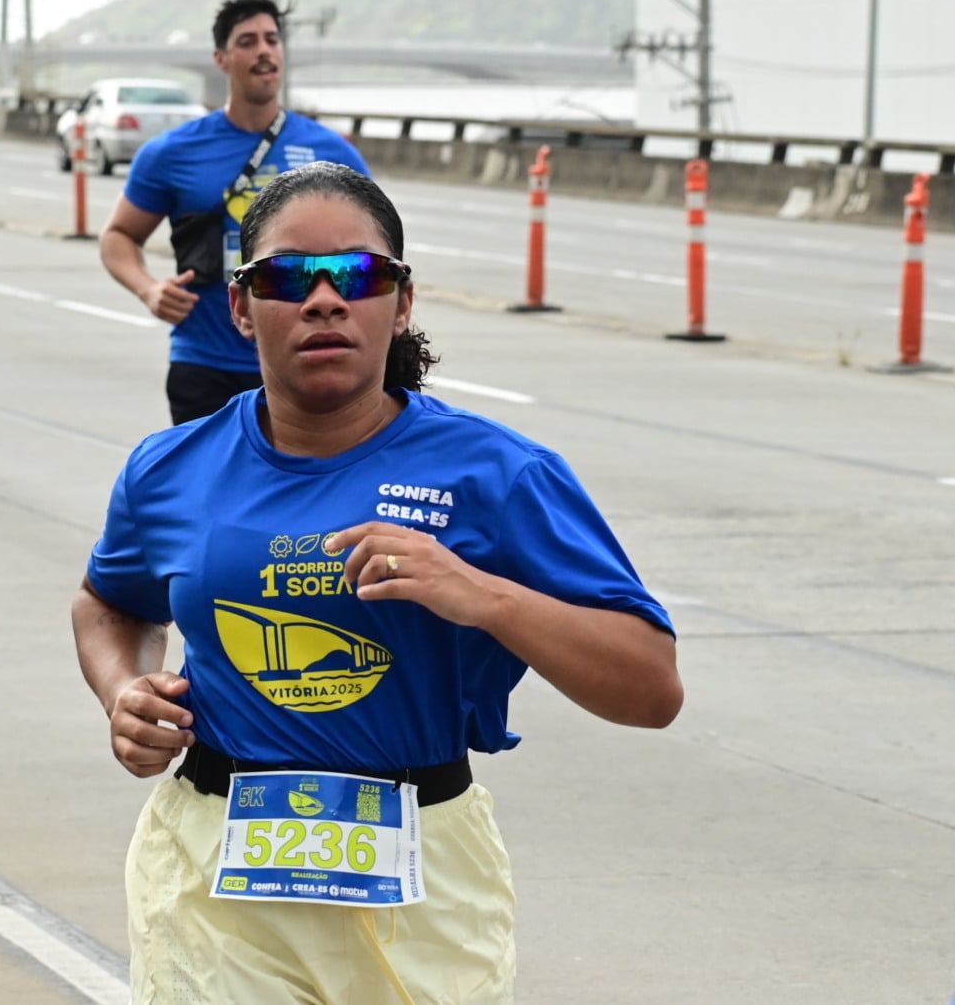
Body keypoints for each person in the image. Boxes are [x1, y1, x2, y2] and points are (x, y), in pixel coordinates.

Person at [72, 162, 683, 1004]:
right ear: (242, 307)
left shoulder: (497, 474)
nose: (324, 299)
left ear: (400, 302)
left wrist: (483, 594)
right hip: (213, 879)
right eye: (288, 276)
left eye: (358, 274)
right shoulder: (169, 468)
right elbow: (109, 602)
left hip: (424, 872)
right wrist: (124, 691)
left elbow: (650, 687)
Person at [99, 0, 371, 425]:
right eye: (247, 41)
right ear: (221, 58)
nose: (264, 50)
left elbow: (374, 258)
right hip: (205, 363)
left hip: (303, 365)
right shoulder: (173, 152)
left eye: (272, 39)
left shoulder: (333, 152)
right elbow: (118, 236)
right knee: (206, 492)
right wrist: (148, 289)